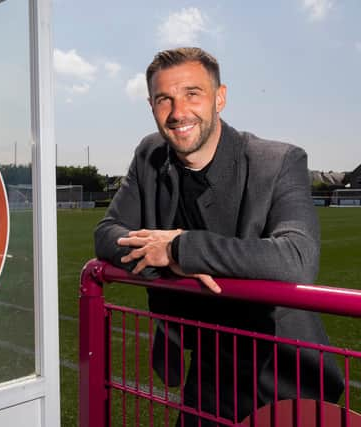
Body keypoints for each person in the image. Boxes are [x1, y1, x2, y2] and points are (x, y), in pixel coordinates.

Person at [94, 47, 343, 425]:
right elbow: (107, 233)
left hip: (280, 369)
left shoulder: (278, 161)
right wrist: (166, 265)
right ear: (151, 105)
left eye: (193, 94)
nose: (178, 113)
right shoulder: (150, 154)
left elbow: (298, 259)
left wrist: (181, 248)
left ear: (220, 98)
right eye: (165, 99)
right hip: (208, 365)